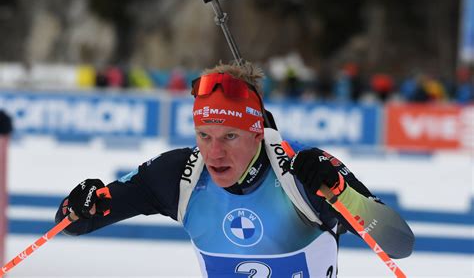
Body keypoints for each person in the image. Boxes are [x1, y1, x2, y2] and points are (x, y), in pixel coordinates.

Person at [56, 62, 414, 277]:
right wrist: (80, 205)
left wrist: (342, 194)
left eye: (230, 136)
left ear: (257, 131)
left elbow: (399, 243)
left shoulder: (303, 173)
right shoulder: (180, 174)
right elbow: (77, 220)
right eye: (203, 135)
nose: (215, 152)